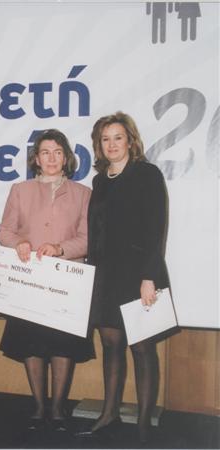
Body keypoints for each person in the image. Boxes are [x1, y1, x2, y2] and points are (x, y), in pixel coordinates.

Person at [76, 112, 169, 443]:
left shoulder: (147, 174)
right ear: (98, 145)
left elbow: (156, 229)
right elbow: (96, 232)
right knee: (111, 344)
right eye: (105, 139)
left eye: (118, 137)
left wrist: (149, 277)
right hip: (105, 275)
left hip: (138, 274)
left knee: (142, 348)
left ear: (130, 140)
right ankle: (109, 413)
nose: (112, 144)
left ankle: (143, 425)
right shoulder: (100, 181)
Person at [0, 129, 94, 432]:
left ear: (66, 157)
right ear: (36, 159)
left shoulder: (83, 193)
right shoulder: (20, 190)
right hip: (29, 280)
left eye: (57, 152)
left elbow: (88, 239)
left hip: (67, 281)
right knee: (33, 344)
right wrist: (19, 243)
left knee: (62, 345)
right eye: (45, 152)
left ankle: (58, 408)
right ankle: (39, 407)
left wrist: (61, 249)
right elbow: (4, 231)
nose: (51, 158)